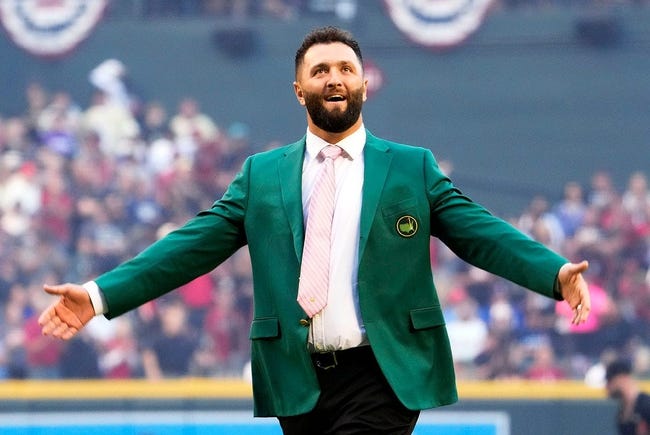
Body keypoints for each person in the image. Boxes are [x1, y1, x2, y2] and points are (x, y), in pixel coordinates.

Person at [39, 26, 591, 434]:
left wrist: (555, 271)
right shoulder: (262, 175)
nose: (335, 78)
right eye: (320, 70)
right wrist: (98, 294)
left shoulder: (410, 167)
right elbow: (191, 246)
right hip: (297, 379)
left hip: (384, 370)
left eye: (346, 69)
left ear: (364, 87)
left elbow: (482, 233)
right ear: (299, 91)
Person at [605, 358, 650, 435]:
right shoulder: (621, 413)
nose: (607, 387)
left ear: (622, 377)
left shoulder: (646, 405)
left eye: (609, 380)